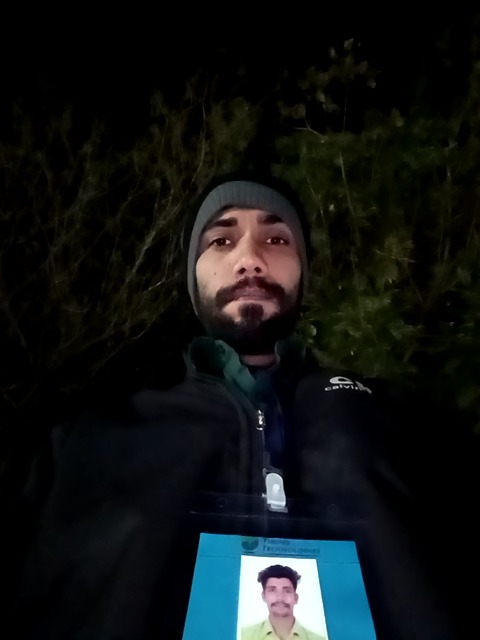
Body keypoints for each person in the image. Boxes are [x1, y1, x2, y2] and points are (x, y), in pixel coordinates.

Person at [10, 171, 480, 639]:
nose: (250, 259)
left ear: (303, 269)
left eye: (276, 239)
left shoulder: (408, 422)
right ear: (192, 276)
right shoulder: (86, 439)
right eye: (221, 241)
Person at [241, 565, 325, 640]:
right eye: (272, 590)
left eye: (287, 591)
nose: (280, 598)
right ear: (263, 596)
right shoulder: (243, 636)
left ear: (296, 598)